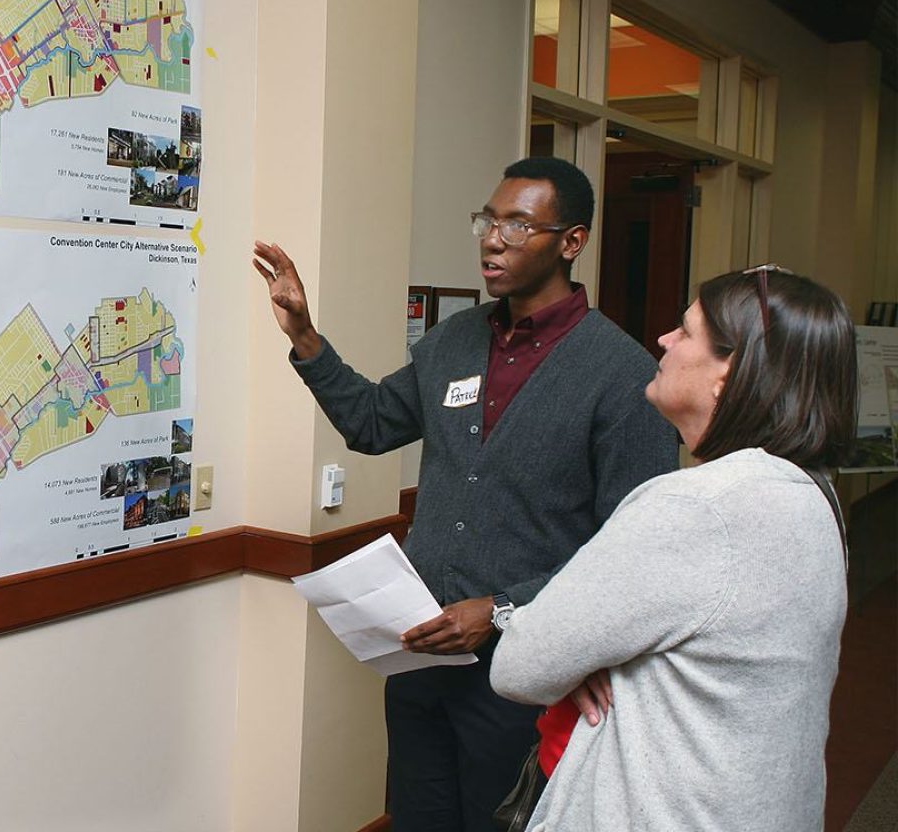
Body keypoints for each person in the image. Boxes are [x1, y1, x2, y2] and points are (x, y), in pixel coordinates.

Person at [252, 157, 677, 832]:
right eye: (488, 219)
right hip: (421, 657)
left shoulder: (622, 374)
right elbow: (370, 423)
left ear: (572, 241)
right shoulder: (452, 344)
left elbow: (632, 552)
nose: (493, 238)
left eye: (517, 223)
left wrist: (504, 610)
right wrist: (306, 338)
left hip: (527, 673)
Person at [490, 266, 856, 831]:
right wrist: (584, 653)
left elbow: (519, 666)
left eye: (685, 332)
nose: (663, 340)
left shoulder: (695, 507)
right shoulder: (811, 493)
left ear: (728, 372)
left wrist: (579, 655)